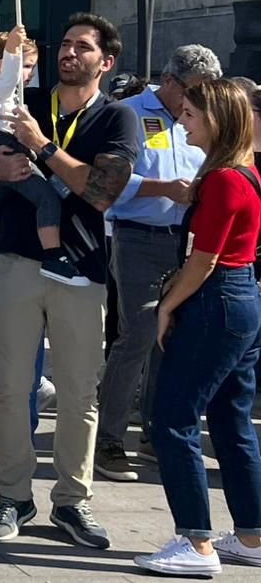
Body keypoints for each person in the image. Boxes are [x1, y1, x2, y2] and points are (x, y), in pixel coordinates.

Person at [0, 13, 138, 550]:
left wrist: (41, 146)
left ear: (105, 62)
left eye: (82, 47)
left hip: (80, 270)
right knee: (9, 388)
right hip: (14, 262)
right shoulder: (24, 99)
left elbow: (101, 190)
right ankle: (13, 494)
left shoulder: (117, 119)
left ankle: (72, 500)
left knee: (80, 392)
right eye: (64, 44)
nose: (69, 53)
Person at [136, 78, 261, 576]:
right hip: (240, 298)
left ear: (215, 120)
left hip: (219, 300)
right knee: (231, 418)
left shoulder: (226, 179)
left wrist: (167, 306)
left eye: (189, 114)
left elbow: (204, 260)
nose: (182, 121)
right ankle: (249, 535)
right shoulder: (246, 174)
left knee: (173, 417)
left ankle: (196, 541)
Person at [97, 44, 222, 484]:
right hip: (137, 236)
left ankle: (153, 430)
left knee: (169, 336)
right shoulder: (127, 113)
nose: (200, 100)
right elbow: (107, 180)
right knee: (139, 333)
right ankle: (109, 438)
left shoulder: (204, 119)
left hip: (185, 241)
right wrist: (162, 188)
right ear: (169, 81)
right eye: (193, 90)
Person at [0, 27, 77, 282]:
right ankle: (54, 257)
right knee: (47, 199)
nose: (31, 73)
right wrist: (13, 47)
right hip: (15, 159)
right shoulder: (0, 91)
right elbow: (7, 78)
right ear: (4, 65)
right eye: (27, 66)